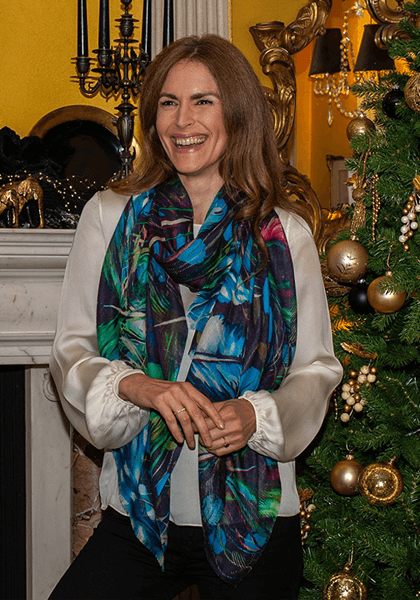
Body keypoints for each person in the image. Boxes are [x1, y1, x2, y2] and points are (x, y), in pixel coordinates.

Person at [49, 34, 342, 600]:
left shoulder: (284, 234)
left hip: (253, 520)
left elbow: (316, 369)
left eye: (203, 101)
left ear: (238, 114)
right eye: (168, 102)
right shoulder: (110, 217)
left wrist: (255, 416)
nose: (182, 121)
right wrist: (138, 386)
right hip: (139, 514)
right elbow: (72, 350)